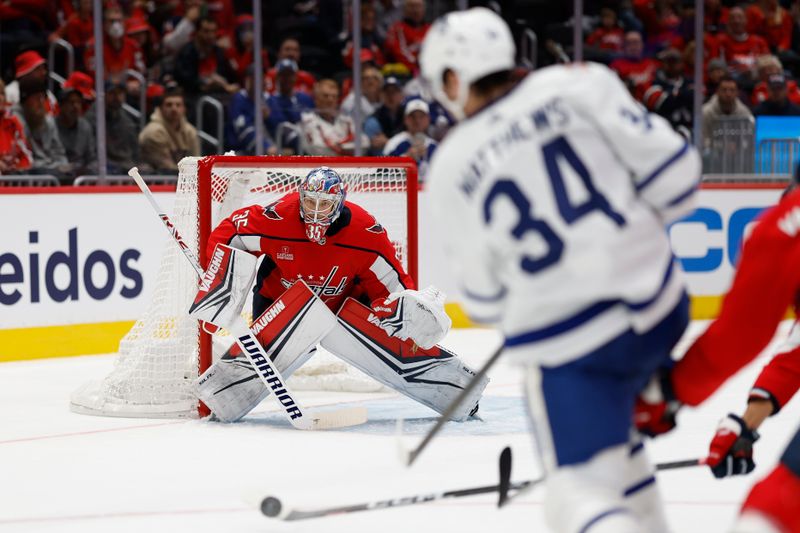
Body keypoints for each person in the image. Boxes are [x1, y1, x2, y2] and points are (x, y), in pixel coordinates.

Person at [420, 8, 701, 533]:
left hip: (575, 343)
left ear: (455, 80)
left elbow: (483, 302)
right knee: (616, 452)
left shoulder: (453, 161)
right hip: (662, 305)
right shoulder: (579, 82)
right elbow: (679, 178)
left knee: (574, 493)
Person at [195, 167, 487, 423]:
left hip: (343, 305)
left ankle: (458, 392)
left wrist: (401, 311)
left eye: (325, 204)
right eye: (309, 201)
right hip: (280, 302)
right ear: (300, 197)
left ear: (339, 203)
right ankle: (219, 398)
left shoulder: (365, 233)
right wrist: (218, 283)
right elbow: (232, 231)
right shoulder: (278, 217)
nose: (315, 210)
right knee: (257, 364)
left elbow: (391, 283)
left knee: (397, 340)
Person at [633, 183, 800, 533]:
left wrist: (668, 390)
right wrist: (745, 424)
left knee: (773, 510)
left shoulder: (787, 223)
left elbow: (741, 335)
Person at [138, 86, 201, 173]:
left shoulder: (190, 131)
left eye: (178, 105)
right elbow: (166, 167)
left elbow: (196, 163)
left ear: (184, 109)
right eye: (169, 105)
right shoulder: (154, 132)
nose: (174, 109)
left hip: (179, 178)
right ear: (160, 109)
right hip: (152, 180)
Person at [301, 79, 367, 155]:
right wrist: (347, 148)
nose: (330, 100)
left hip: (348, 165)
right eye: (325, 96)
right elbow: (316, 149)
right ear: (316, 99)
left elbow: (365, 143)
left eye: (334, 96)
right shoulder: (307, 120)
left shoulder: (347, 120)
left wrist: (339, 147)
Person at [383, 99, 436, 180]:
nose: (417, 121)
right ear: (406, 119)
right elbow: (382, 173)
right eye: (413, 117)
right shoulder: (394, 143)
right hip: (401, 191)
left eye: (421, 116)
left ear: (428, 119)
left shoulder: (434, 146)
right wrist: (406, 158)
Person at [55, 82, 96, 176]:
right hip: (57, 172)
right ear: (61, 105)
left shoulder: (85, 126)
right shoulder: (51, 125)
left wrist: (88, 168)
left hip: (80, 173)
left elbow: (91, 157)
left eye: (78, 102)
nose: (76, 106)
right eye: (71, 102)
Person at [0, 79, 32, 174]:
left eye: (2, 93)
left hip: (13, 178)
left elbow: (26, 155)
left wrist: (18, 168)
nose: (0, 97)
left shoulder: (13, 121)